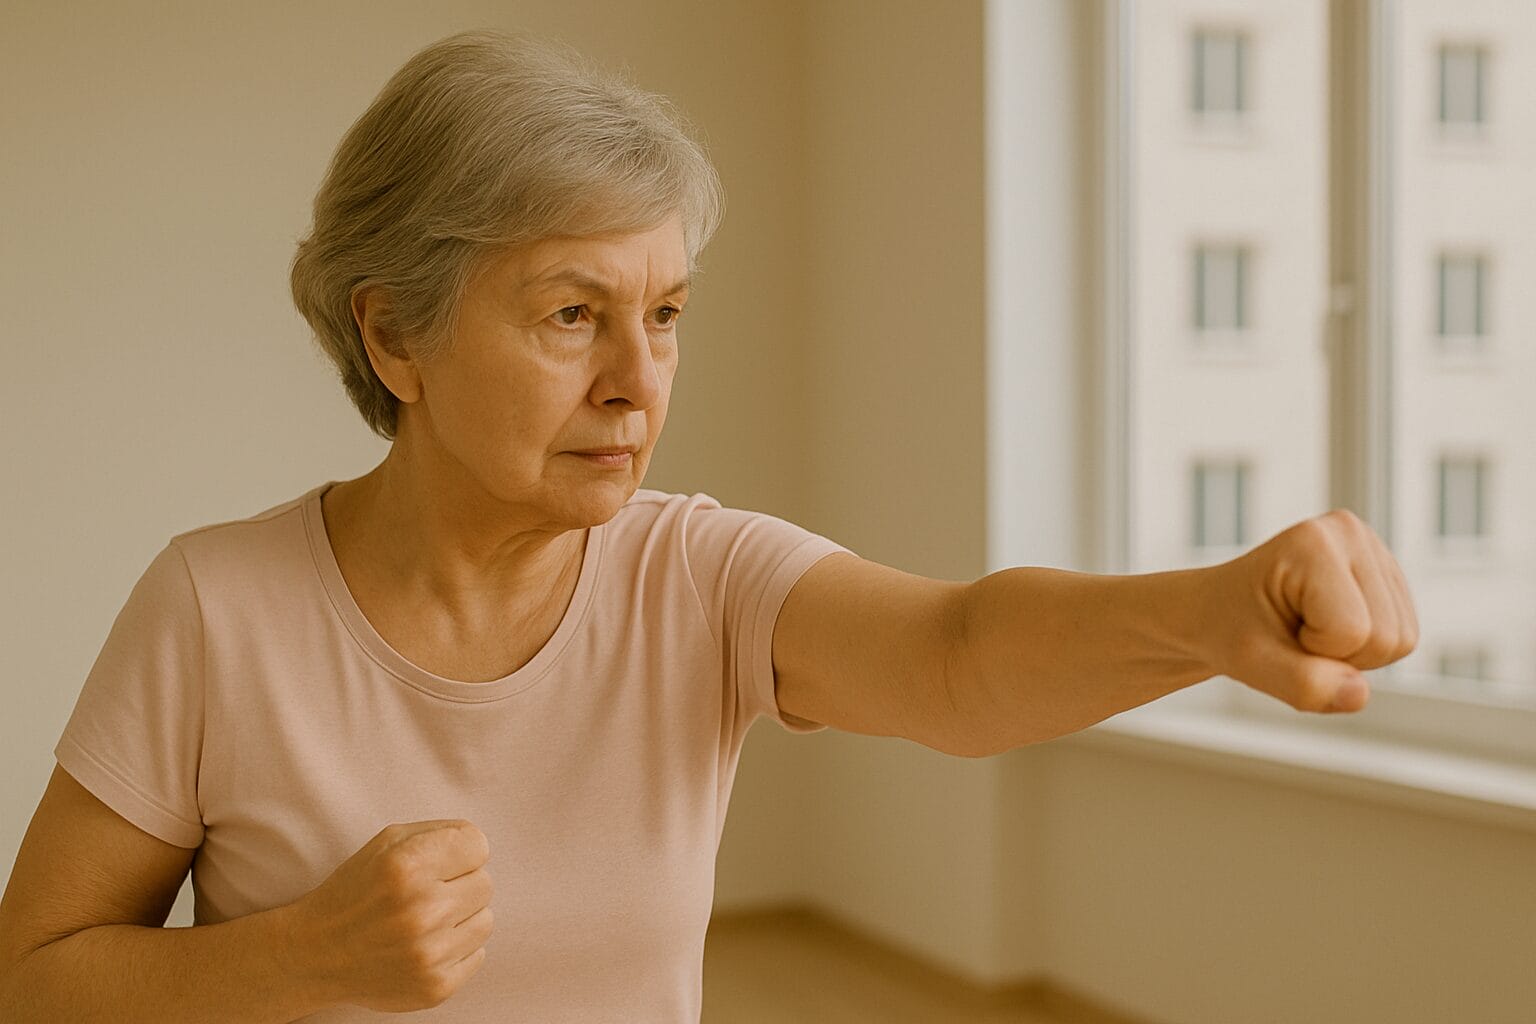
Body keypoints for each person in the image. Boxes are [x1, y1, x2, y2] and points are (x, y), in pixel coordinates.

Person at [0, 27, 1417, 1024]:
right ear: (394, 334)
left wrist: (1214, 612)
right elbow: (37, 978)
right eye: (572, 314)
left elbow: (955, 654)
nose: (636, 383)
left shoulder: (696, 574)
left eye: (664, 315)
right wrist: (296, 959)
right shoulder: (215, 607)